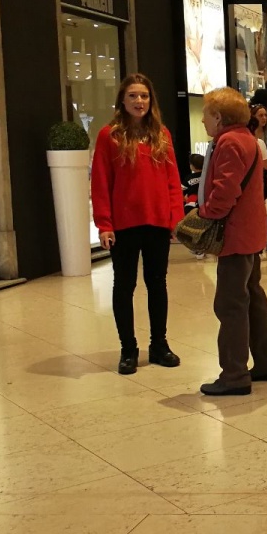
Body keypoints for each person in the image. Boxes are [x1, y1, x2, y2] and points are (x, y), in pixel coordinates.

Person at [90, 73, 185, 376]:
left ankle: (159, 344)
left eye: (144, 96)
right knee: (124, 285)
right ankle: (128, 348)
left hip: (157, 222)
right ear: (122, 100)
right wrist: (104, 224)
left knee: (157, 284)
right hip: (124, 225)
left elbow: (173, 181)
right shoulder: (110, 136)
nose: (139, 101)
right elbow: (101, 183)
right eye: (133, 95)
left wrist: (175, 219)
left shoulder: (162, 135)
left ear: (150, 100)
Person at [197, 88, 267, 396]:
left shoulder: (229, 142)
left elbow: (225, 190)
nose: (203, 120)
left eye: (206, 114)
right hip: (251, 232)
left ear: (218, 117)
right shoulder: (248, 139)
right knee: (253, 297)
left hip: (234, 235)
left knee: (230, 304)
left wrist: (205, 213)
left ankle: (233, 373)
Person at [250, 105, 267, 254]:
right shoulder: (254, 139)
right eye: (260, 115)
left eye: (265, 115)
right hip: (261, 176)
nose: (264, 118)